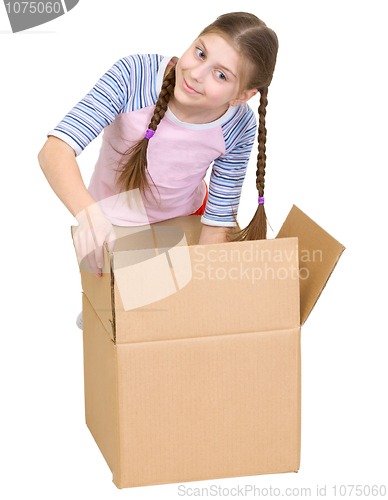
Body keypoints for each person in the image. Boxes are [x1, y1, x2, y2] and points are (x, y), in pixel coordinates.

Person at [38, 12, 279, 328]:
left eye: (221, 75)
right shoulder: (134, 75)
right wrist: (89, 216)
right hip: (112, 222)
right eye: (200, 52)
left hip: (183, 223)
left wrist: (204, 294)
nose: (195, 74)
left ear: (243, 95)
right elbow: (55, 151)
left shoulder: (240, 125)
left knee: (167, 318)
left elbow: (217, 222)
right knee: (112, 319)